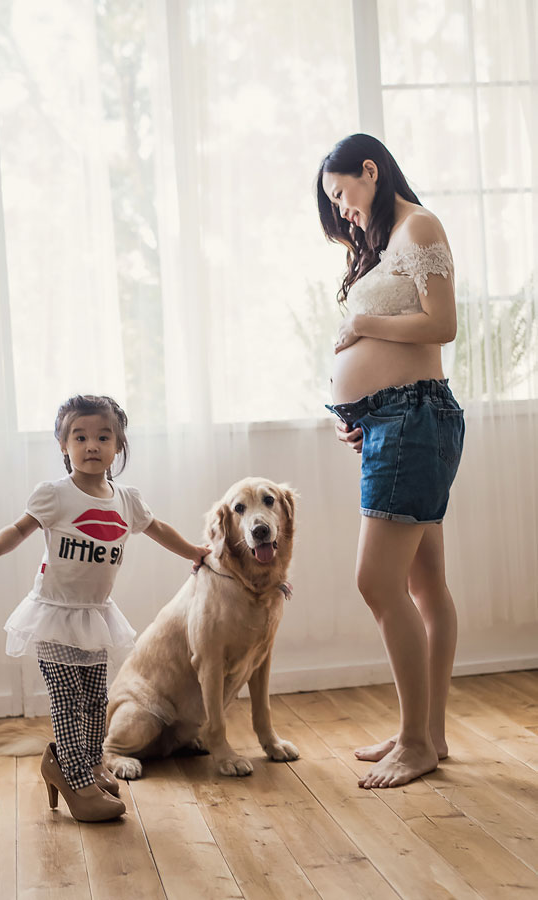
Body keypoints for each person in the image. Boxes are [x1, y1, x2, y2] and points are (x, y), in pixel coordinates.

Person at [0, 394, 210, 821]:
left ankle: (91, 761)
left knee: (97, 699)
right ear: (64, 446)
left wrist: (193, 550)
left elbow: (158, 530)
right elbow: (19, 529)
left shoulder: (126, 500)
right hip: (54, 613)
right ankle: (73, 776)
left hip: (93, 615)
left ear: (118, 446)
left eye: (103, 436)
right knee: (66, 700)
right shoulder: (55, 495)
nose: (91, 445)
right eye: (79, 437)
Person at [316, 133, 465, 789]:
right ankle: (426, 731)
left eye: (342, 194)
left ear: (370, 171)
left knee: (377, 583)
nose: (344, 211)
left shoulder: (419, 226)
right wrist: (362, 416)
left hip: (412, 416)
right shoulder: (386, 246)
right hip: (396, 421)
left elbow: (441, 324)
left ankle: (415, 741)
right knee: (423, 583)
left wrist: (363, 329)